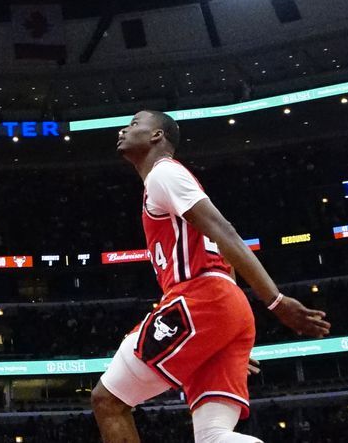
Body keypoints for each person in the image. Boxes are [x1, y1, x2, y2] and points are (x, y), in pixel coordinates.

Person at [91, 111, 331, 443]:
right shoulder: (169, 181)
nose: (123, 129)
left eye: (134, 124)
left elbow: (226, 233)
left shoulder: (164, 174)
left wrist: (276, 302)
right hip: (222, 305)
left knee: (107, 400)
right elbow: (221, 249)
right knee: (213, 437)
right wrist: (218, 331)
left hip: (200, 298)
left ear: (157, 136)